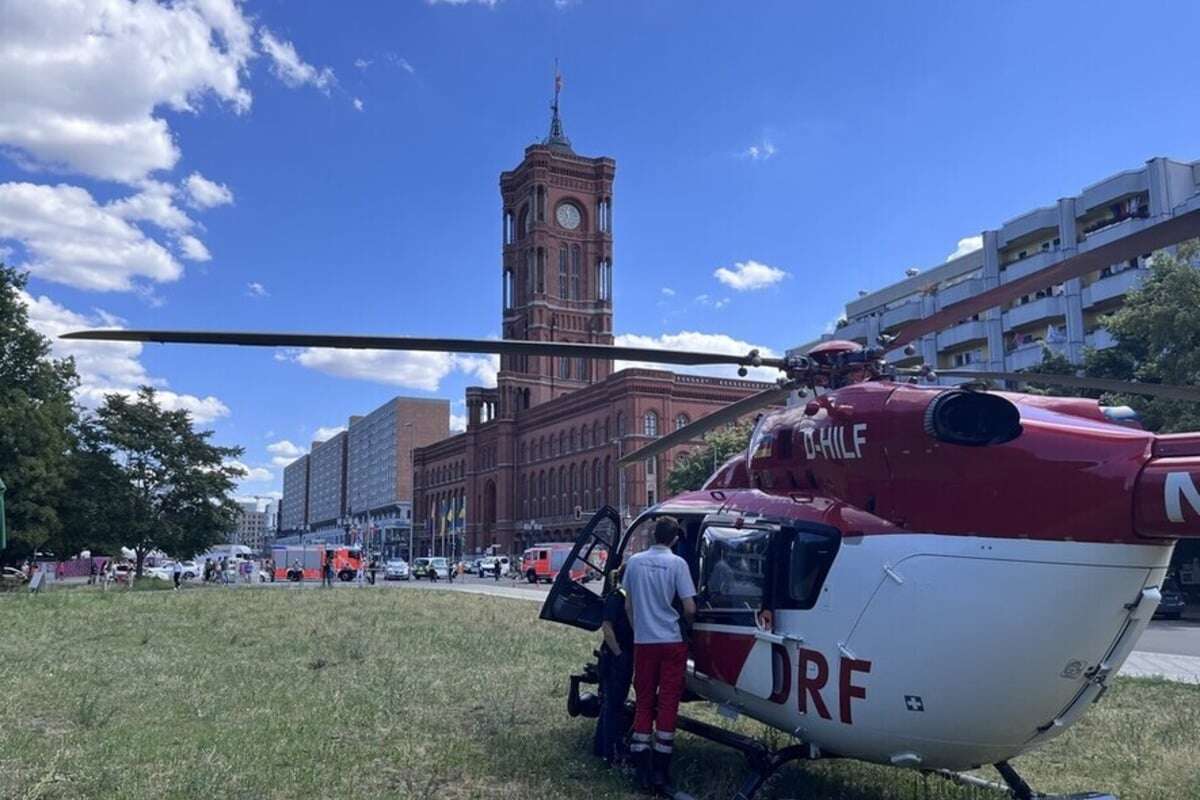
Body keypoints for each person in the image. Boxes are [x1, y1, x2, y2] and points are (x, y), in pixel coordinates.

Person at [623, 516, 697, 795]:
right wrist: (687, 626)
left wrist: (639, 629)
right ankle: (661, 770)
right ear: (675, 539)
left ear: (654, 535)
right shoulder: (678, 564)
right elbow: (689, 607)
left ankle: (641, 768)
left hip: (645, 641)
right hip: (672, 641)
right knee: (668, 701)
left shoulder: (634, 563)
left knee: (643, 700)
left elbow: (629, 604)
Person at [594, 566, 635, 766]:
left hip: (622, 654)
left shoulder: (626, 596)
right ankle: (608, 752)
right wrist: (618, 653)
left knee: (613, 703)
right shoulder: (617, 597)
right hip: (616, 656)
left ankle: (602, 747)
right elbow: (607, 628)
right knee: (613, 705)